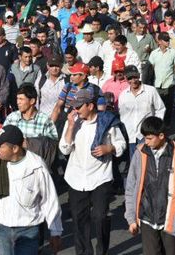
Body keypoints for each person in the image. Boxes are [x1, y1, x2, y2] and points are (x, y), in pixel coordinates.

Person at [0, 125, 62, 255]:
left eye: (0, 146)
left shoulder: (36, 166)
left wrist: (55, 231)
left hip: (28, 229)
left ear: (14, 148)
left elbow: (49, 199)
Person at [59, 90, 126, 255]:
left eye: (79, 106)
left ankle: (102, 250)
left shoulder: (107, 121)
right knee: (78, 218)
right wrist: (71, 127)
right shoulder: (73, 122)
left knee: (100, 216)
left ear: (90, 105)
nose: (76, 110)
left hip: (100, 176)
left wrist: (108, 148)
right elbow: (65, 149)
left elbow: (121, 144)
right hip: (76, 177)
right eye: (74, 106)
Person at [124, 116, 175, 255]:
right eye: (145, 138)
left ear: (161, 136)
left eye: (149, 138)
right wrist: (131, 218)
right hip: (147, 218)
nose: (146, 142)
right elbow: (131, 187)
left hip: (171, 220)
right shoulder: (140, 153)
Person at [118, 66, 166, 156]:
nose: (133, 80)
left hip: (146, 135)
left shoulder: (151, 91)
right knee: (134, 163)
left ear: (139, 76)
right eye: (130, 78)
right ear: (125, 79)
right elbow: (122, 115)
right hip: (130, 136)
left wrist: (154, 126)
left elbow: (160, 109)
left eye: (135, 77)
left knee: (148, 162)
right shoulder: (123, 95)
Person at [148, 32, 175, 126]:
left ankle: (167, 125)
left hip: (169, 83)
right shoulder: (154, 53)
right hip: (157, 83)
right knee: (157, 106)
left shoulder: (173, 52)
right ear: (160, 41)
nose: (168, 42)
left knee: (168, 106)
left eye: (168, 40)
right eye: (166, 40)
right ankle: (158, 124)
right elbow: (151, 68)